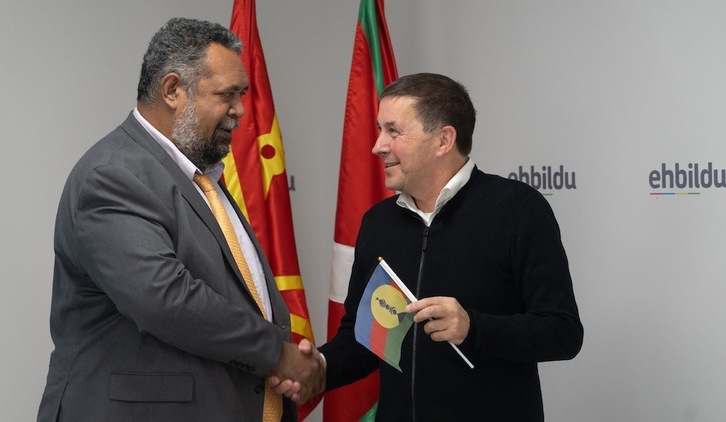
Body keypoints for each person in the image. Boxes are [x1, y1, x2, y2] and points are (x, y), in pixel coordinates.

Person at [37, 18, 321, 422]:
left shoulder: (200, 175)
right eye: (228, 95)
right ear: (173, 90)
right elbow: (164, 298)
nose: (240, 111)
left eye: (242, 95)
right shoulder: (114, 174)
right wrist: (277, 355)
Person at [273, 73, 583, 421]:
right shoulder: (378, 222)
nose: (377, 145)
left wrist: (473, 327)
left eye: (393, 131)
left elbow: (562, 332)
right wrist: (321, 366)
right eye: (379, 129)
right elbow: (364, 339)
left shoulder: (518, 210)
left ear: (443, 140)